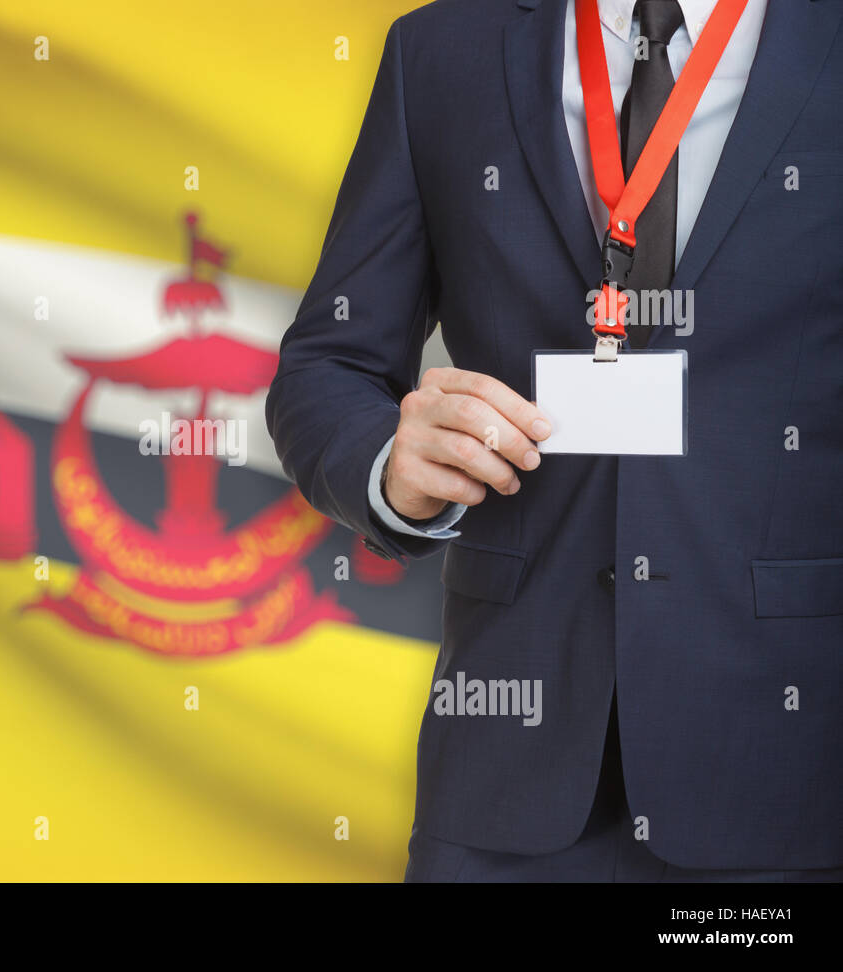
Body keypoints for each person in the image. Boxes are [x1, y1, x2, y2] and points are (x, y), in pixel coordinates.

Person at [266, 0, 843, 881]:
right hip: (506, 787)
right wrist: (387, 463)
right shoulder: (441, 51)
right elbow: (327, 363)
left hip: (792, 776)